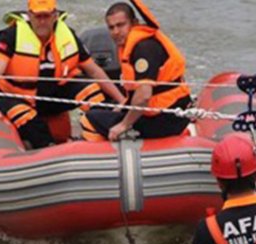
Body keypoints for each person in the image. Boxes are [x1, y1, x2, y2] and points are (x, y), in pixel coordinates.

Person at [0, 0, 125, 149]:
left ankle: (100, 134)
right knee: (22, 114)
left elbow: (94, 70)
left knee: (92, 90)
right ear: (30, 15)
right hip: (17, 96)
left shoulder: (67, 35)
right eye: (38, 16)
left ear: (54, 16)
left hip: (52, 93)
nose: (42, 21)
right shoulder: (11, 36)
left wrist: (121, 100)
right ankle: (49, 148)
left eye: (46, 16)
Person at [80, 0, 192, 142]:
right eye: (111, 27)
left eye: (120, 25)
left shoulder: (143, 49)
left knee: (89, 118)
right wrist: (124, 106)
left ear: (134, 23)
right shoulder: (136, 44)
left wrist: (124, 125)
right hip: (170, 114)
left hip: (163, 120)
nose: (116, 32)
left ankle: (104, 159)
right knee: (109, 112)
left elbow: (144, 95)